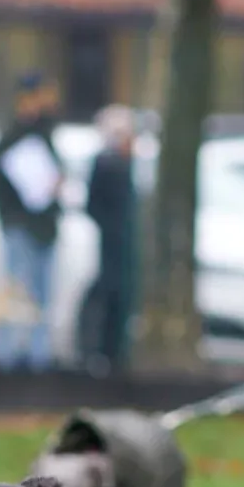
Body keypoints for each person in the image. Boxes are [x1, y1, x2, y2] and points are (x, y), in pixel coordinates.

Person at [0, 72, 63, 370]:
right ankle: (6, 356)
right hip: (20, 225)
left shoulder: (45, 133)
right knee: (15, 292)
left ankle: (37, 357)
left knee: (41, 294)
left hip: (44, 226)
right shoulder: (12, 136)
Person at [84, 106, 138, 371]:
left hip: (121, 243)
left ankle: (115, 352)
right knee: (112, 295)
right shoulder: (109, 164)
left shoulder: (123, 164)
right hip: (113, 244)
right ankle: (106, 352)